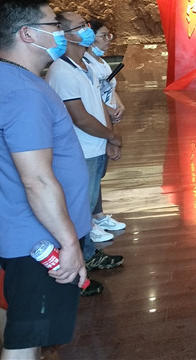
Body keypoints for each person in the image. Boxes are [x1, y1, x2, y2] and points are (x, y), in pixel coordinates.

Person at [0, 0, 93, 357]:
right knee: (23, 347)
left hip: (25, 234)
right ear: (27, 34)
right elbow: (36, 179)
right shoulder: (24, 94)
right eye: (53, 25)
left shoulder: (0, 76)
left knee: (26, 340)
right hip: (42, 244)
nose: (60, 33)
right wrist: (69, 243)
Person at [45, 10, 124, 282]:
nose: (87, 30)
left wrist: (109, 137)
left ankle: (88, 255)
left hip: (95, 146)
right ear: (65, 35)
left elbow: (98, 104)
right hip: (80, 150)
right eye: (81, 26)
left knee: (85, 207)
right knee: (78, 210)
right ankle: (78, 268)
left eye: (87, 25)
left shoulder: (86, 66)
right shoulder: (62, 72)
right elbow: (80, 118)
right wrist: (111, 136)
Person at [84, 19, 127, 235]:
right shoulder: (85, 64)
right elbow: (92, 96)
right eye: (103, 36)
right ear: (91, 39)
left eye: (109, 35)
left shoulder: (101, 63)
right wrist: (109, 111)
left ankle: (98, 215)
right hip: (96, 124)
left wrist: (119, 106)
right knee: (90, 175)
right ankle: (88, 223)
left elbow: (109, 88)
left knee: (98, 171)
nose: (108, 40)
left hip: (107, 121)